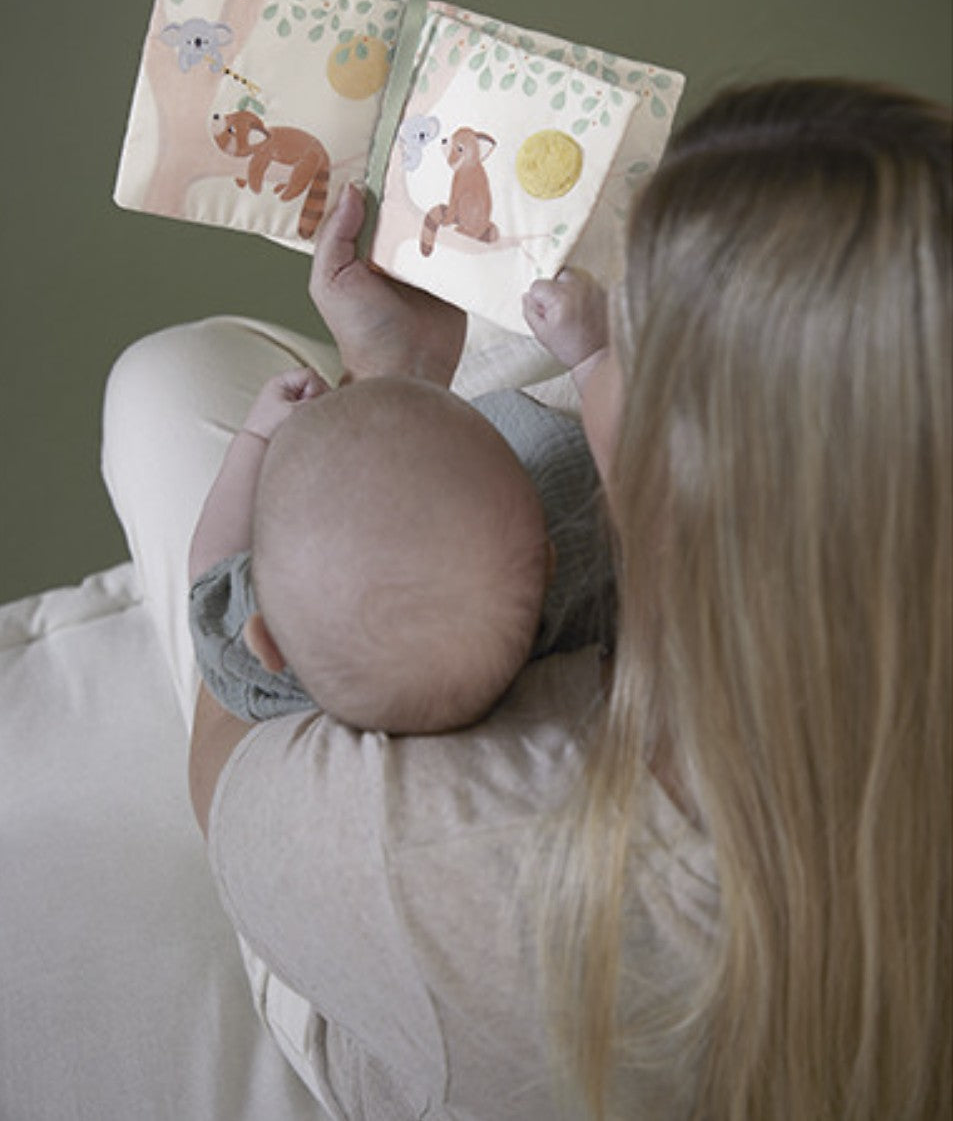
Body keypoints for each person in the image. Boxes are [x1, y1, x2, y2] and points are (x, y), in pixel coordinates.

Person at [103, 78, 950, 1120]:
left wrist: (386, 377)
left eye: (636, 347)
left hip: (435, 961)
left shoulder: (432, 852)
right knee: (519, 349)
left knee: (166, 379)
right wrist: (513, 370)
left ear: (676, 488)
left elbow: (234, 741)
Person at [187, 354, 613, 733]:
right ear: (548, 563)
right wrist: (591, 358)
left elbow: (211, 573)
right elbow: (640, 474)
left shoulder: (286, 648)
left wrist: (257, 438)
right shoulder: (579, 550)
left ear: (268, 643)